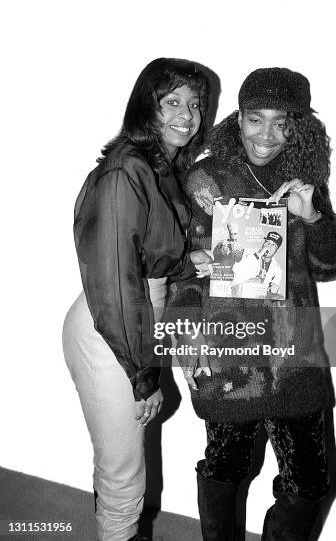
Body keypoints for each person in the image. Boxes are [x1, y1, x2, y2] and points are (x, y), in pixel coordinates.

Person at [166, 67, 336, 540]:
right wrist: (186, 340)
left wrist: (312, 217)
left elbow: (331, 265)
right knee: (226, 471)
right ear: (238, 119)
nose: (266, 135)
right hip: (231, 361)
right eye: (254, 119)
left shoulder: (302, 181)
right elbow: (179, 272)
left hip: (296, 359)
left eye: (281, 121)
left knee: (312, 483)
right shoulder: (207, 180)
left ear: (298, 126)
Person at [62, 58, 216, 541]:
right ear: (145, 106)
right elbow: (114, 279)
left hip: (132, 323)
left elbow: (152, 254)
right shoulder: (125, 170)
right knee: (125, 474)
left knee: (120, 462)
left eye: (194, 104)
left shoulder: (159, 167)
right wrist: (142, 373)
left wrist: (195, 261)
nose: (187, 116)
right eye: (172, 102)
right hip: (112, 332)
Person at [231, 231, 283, 298]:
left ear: (277, 249)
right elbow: (236, 269)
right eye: (267, 242)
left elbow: (274, 288)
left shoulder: (277, 269)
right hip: (239, 291)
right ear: (263, 243)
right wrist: (259, 254)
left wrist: (274, 288)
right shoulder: (248, 252)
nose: (269, 246)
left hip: (258, 297)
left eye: (273, 245)